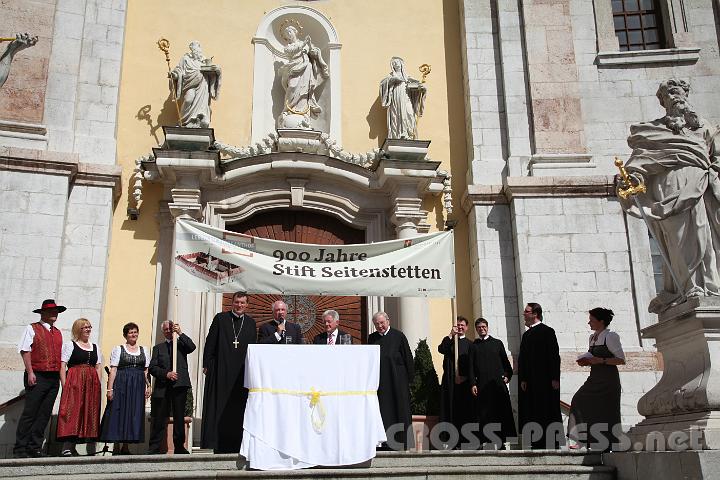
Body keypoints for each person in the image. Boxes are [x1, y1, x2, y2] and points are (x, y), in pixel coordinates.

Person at [620, 78, 720, 313]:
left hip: (701, 185)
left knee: (703, 235)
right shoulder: (653, 131)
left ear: (686, 96)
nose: (676, 97)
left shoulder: (704, 127)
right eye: (670, 94)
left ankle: (709, 287)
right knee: (678, 238)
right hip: (669, 189)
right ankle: (687, 287)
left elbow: (716, 157)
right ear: (663, 101)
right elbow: (639, 163)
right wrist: (633, 178)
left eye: (679, 92)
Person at [201, 291, 256, 453]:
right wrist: (207, 364)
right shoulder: (221, 318)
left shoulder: (251, 323)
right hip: (221, 371)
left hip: (241, 374)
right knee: (219, 406)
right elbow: (210, 342)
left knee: (238, 408)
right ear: (232, 303)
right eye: (237, 302)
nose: (239, 305)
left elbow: (253, 349)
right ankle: (218, 443)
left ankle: (238, 443)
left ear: (247, 305)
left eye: (242, 303)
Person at [568, 308, 625, 451]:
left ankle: (607, 443)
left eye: (592, 320)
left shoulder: (610, 336)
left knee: (607, 411)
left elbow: (621, 360)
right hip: (594, 377)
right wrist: (586, 361)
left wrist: (599, 360)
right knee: (579, 400)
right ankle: (583, 439)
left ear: (601, 321)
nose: (589, 323)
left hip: (608, 379)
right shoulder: (592, 337)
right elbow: (592, 356)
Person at [13, 299, 65, 458]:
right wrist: (30, 372)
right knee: (30, 412)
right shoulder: (32, 328)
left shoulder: (57, 332)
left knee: (44, 413)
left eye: (56, 311)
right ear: (43, 313)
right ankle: (20, 449)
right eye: (51, 311)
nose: (54, 313)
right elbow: (25, 350)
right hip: (37, 374)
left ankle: (34, 447)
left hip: (53, 377)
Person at [100, 322, 151, 455]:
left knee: (133, 413)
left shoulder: (144, 350)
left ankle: (126, 446)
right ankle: (116, 445)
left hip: (138, 386)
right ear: (125, 335)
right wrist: (110, 389)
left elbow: (146, 371)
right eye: (130, 332)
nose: (133, 334)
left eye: (135, 332)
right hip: (122, 384)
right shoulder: (119, 349)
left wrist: (149, 386)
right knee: (119, 412)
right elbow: (113, 370)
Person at [517, 302, 562, 449]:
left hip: (546, 380)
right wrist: (523, 378)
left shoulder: (548, 331)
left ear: (535, 314)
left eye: (526, 311)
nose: (524, 314)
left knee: (547, 410)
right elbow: (522, 358)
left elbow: (554, 356)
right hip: (530, 381)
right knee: (532, 411)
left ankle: (551, 442)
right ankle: (535, 442)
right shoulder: (526, 335)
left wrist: (555, 378)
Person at [367, 311, 414, 451]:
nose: (380, 326)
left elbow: (408, 358)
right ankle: (386, 442)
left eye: (382, 323)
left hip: (399, 381)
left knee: (401, 410)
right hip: (381, 383)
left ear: (388, 321)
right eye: (377, 324)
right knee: (384, 411)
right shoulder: (372, 338)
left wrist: (410, 380)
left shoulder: (399, 336)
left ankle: (403, 442)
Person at [148, 321, 196, 454]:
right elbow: (153, 368)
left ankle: (179, 446)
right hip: (163, 386)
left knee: (179, 417)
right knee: (159, 417)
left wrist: (180, 333)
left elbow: (192, 347)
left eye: (171, 329)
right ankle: (154, 447)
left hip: (179, 385)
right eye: (166, 329)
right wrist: (166, 374)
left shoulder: (181, 344)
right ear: (163, 331)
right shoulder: (158, 348)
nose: (169, 331)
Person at [468, 317, 516, 449]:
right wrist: (473, 383)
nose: (481, 329)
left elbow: (506, 363)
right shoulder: (473, 346)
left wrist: (508, 375)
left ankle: (501, 442)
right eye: (479, 328)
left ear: (487, 328)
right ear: (476, 330)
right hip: (482, 387)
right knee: (483, 415)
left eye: (483, 327)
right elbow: (471, 367)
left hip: (497, 386)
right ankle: (485, 441)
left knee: (500, 413)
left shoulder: (497, 343)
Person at [57, 318, 103, 456]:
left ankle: (74, 446)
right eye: (85, 327)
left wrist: (97, 384)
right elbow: (62, 366)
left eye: (89, 327)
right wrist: (65, 386)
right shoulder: (70, 345)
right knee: (72, 412)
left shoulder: (95, 347)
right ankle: (66, 446)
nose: (88, 329)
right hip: (75, 382)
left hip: (90, 384)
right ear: (78, 329)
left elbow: (98, 366)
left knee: (86, 414)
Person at [277, 21, 329, 128]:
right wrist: (304, 44)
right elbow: (290, 51)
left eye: (290, 32)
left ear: (295, 32)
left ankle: (302, 113)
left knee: (305, 90)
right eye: (287, 34)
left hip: (306, 68)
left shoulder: (304, 43)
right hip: (294, 69)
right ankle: (289, 110)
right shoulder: (289, 46)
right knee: (292, 86)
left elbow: (313, 53)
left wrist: (312, 48)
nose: (289, 35)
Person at [437, 316, 472, 448]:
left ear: (467, 327)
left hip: (464, 382)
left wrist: (466, 377)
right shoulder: (450, 341)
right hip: (449, 381)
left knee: (463, 411)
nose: (460, 327)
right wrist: (450, 335)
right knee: (449, 408)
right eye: (457, 325)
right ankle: (448, 439)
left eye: (462, 325)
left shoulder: (470, 344)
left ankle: (465, 439)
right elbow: (441, 349)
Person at [170, 40, 221, 127]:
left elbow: (212, 73)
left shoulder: (204, 60)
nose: (196, 50)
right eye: (194, 48)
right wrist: (174, 75)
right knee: (188, 99)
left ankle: (198, 120)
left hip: (203, 86)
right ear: (191, 49)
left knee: (201, 106)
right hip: (189, 85)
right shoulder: (185, 59)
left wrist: (216, 70)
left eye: (198, 47)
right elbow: (179, 70)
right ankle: (183, 121)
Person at [379, 56, 427, 139]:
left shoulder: (407, 77)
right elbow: (382, 85)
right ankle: (398, 135)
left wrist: (421, 89)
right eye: (394, 63)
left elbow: (418, 87)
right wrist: (392, 80)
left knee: (409, 113)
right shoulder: (390, 76)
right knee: (397, 114)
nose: (396, 64)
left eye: (397, 62)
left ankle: (409, 134)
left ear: (401, 64)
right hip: (396, 98)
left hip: (406, 97)